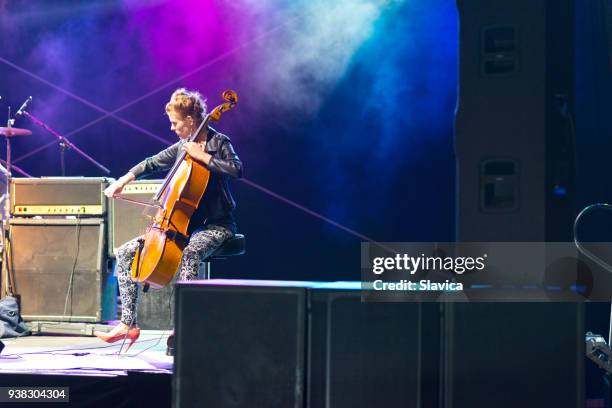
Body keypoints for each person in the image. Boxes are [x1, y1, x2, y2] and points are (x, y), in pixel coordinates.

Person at [94, 88, 242, 350]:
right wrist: (124, 180)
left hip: (217, 226)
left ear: (190, 120)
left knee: (190, 254)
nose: (172, 128)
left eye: (175, 123)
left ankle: (185, 324)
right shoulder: (182, 148)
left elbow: (236, 169)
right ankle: (129, 324)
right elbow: (152, 162)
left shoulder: (219, 143)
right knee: (127, 252)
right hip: (182, 228)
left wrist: (203, 157)